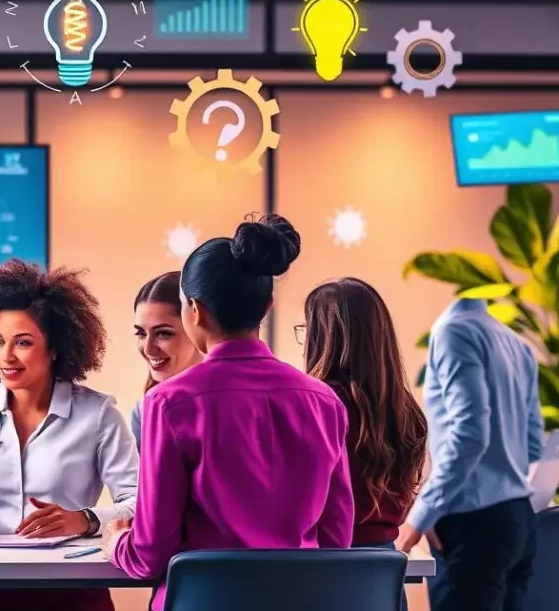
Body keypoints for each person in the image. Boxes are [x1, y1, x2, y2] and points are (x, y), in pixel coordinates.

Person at [103, 213, 355, 611]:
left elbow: (150, 553)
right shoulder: (325, 402)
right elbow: (337, 539)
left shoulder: (168, 403)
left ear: (194, 311)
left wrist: (117, 541)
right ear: (267, 306)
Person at [0, 259, 139, 611]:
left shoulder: (98, 414)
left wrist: (84, 520)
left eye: (22, 343)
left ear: (55, 347)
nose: (6, 356)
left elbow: (138, 505)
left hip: (74, 590)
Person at [396, 296, 545, 611]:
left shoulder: (454, 331)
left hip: (474, 526)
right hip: (518, 521)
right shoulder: (517, 345)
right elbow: (533, 443)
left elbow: (470, 435)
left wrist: (420, 518)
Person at [302, 278, 428, 611]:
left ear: (321, 336)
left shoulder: (317, 408)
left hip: (325, 569)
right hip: (385, 572)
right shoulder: (406, 412)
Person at [130, 271, 203, 451]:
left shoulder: (229, 398)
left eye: (164, 333)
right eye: (141, 333)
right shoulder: (144, 411)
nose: (147, 348)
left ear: (196, 326)